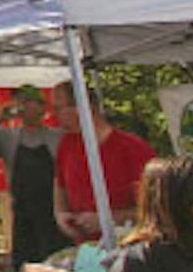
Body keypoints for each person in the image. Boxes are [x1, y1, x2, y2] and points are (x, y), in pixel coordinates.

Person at [0, 86, 65, 267]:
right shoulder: (8, 137)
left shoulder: (58, 136)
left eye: (29, 101)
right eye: (21, 102)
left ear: (43, 107)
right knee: (24, 269)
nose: (24, 107)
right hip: (22, 217)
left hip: (56, 216)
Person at [51, 84, 155, 244]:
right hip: (86, 249)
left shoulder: (132, 149)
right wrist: (61, 214)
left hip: (129, 248)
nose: (53, 115)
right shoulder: (67, 144)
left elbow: (156, 208)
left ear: (84, 106)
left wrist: (108, 219)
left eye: (58, 108)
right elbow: (60, 185)